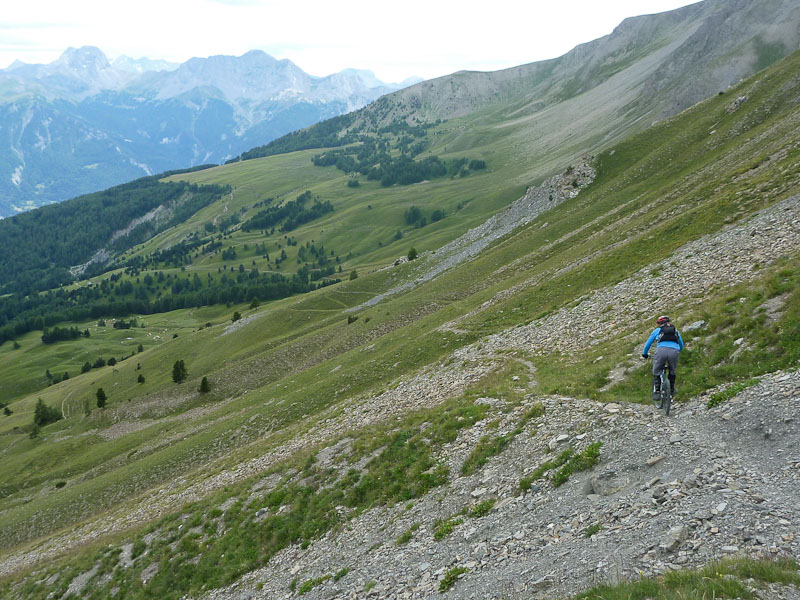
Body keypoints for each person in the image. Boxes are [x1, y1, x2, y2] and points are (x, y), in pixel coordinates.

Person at [642, 316, 685, 401]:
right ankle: (672, 390)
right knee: (672, 371)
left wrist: (645, 354)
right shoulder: (675, 331)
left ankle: (657, 392)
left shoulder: (657, 331)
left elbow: (648, 344)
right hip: (674, 351)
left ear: (659, 324)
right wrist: (676, 351)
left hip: (661, 351)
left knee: (656, 370)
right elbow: (681, 345)